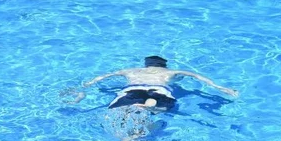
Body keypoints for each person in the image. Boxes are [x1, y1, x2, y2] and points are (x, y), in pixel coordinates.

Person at [69, 55, 238, 113]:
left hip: (131, 89)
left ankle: (129, 137)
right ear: (163, 66)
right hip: (159, 89)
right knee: (165, 107)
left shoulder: (129, 70)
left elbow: (101, 78)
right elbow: (196, 76)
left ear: (146, 65)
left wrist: (82, 89)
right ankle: (153, 107)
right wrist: (220, 87)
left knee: (121, 111)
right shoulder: (170, 72)